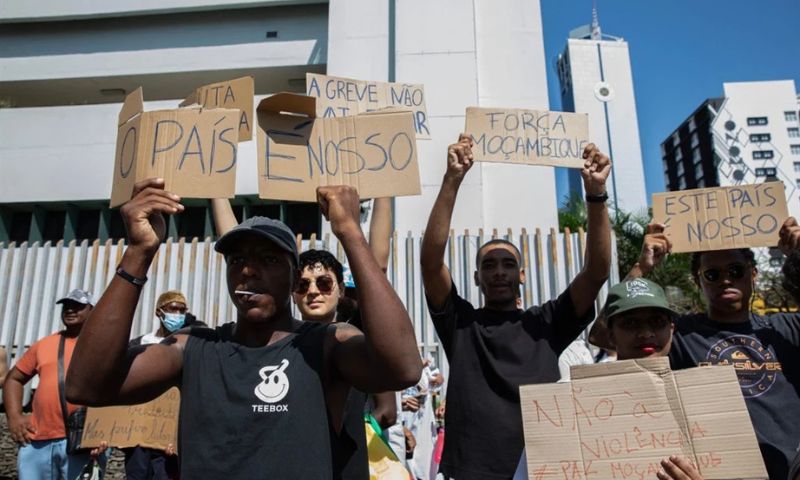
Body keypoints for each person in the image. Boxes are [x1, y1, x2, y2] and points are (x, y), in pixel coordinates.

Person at [66, 179, 422, 478]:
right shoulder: (193, 348)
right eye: (238, 260)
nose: (248, 271)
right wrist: (139, 252)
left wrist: (350, 233)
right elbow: (87, 385)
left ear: (294, 277)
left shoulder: (324, 345)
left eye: (268, 259)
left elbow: (403, 368)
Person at [419, 135, 612, 479]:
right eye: (489, 266)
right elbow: (431, 263)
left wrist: (595, 194)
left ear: (521, 274)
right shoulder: (461, 326)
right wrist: (452, 180)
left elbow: (597, 272)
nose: (498, 272)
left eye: (507, 264)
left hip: (542, 469)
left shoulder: (548, 323)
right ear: (477, 278)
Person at [212, 196, 399, 479]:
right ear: (290, 289)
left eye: (324, 283)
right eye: (303, 285)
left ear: (341, 290)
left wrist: (385, 188)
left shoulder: (354, 338)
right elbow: (235, 251)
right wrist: (216, 189)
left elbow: (377, 266)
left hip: (345, 464)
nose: (313, 291)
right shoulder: (275, 339)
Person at [630, 219, 800, 479]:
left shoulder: (785, 329)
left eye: (735, 271)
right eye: (712, 274)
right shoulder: (679, 333)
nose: (725, 280)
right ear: (699, 282)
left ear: (753, 274)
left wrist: (799, 253)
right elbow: (605, 334)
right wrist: (642, 267)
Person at [3, 289, 106, 479]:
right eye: (66, 306)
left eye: (78, 306)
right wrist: (14, 417)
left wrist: (106, 432)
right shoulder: (44, 344)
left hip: (83, 442)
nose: (70, 310)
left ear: (92, 310)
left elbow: (118, 390)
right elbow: (13, 379)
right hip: (37, 441)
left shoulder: (103, 346)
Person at [124, 290, 189, 480]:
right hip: (137, 435)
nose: (177, 315)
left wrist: (176, 438)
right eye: (173, 309)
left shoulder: (188, 346)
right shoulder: (139, 345)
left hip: (168, 441)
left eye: (182, 311)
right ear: (159, 312)